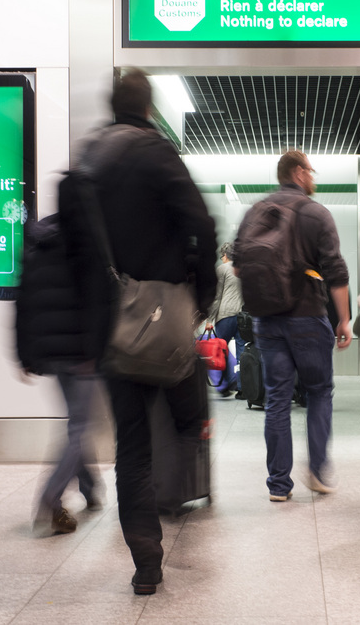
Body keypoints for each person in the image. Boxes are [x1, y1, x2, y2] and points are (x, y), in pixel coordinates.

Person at [59, 68, 218, 595]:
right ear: (149, 108)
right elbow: (203, 221)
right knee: (183, 404)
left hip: (108, 329)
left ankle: (146, 558)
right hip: (164, 317)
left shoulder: (86, 162)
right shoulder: (157, 153)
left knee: (131, 448)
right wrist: (201, 290)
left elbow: (71, 254)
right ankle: (189, 436)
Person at [232, 150, 352, 501]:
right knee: (318, 391)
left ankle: (279, 486)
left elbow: (238, 266)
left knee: (278, 399)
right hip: (308, 316)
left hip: (267, 320)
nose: (313, 178)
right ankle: (317, 469)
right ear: (299, 172)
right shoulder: (316, 213)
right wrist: (343, 319)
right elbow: (336, 272)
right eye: (311, 172)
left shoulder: (255, 212)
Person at [15, 213, 104, 536]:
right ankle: (50, 498)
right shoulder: (83, 246)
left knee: (77, 421)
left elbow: (21, 304)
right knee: (80, 426)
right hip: (80, 353)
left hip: (50, 354)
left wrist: (25, 355)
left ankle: (92, 489)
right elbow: (95, 301)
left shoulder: (36, 244)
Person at [206, 242, 247, 397]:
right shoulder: (242, 270)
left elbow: (217, 297)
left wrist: (210, 319)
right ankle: (242, 388)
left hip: (224, 315)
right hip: (241, 316)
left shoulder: (222, 269)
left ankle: (223, 386)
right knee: (242, 351)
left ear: (225, 255)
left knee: (219, 350)